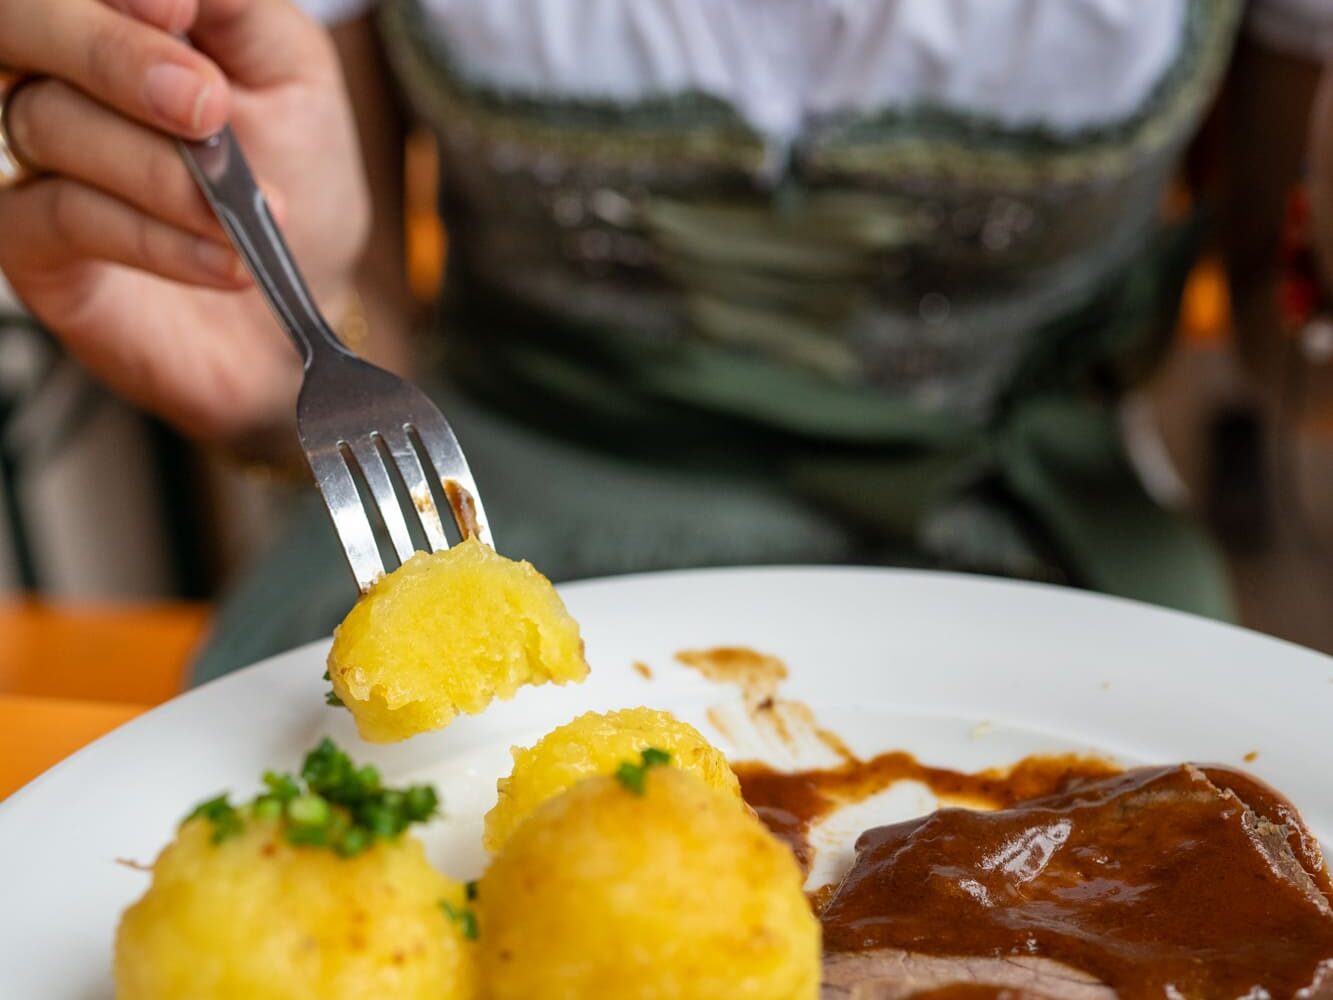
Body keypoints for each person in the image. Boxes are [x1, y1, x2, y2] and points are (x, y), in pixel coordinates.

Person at [0, 0, 1329, 682]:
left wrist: (1320, 319)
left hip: (1033, 532)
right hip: (481, 520)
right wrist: (298, 339)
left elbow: (1286, 350)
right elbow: (363, 321)